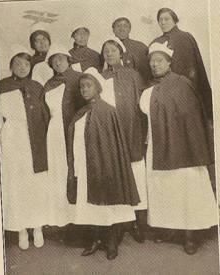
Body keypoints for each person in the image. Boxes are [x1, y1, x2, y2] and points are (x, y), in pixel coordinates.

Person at [139, 41, 217, 255]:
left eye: (159, 60)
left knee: (186, 186)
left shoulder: (182, 83)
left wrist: (188, 145)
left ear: (169, 62)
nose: (155, 65)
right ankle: (171, 228)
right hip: (158, 144)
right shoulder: (149, 88)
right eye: (152, 62)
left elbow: (191, 117)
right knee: (163, 187)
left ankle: (191, 234)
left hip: (184, 147)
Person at [67, 69, 140, 260]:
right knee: (89, 205)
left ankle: (111, 241)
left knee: (105, 204)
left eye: (88, 85)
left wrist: (105, 166)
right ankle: (96, 239)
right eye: (81, 86)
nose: (84, 89)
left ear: (98, 88)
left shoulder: (107, 110)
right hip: (85, 165)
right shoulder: (81, 112)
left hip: (103, 167)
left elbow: (112, 145)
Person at [0, 50, 50, 250]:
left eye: (26, 65)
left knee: (35, 183)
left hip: (35, 139)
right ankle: (20, 229)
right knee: (17, 183)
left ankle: (37, 227)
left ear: (30, 68)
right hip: (13, 139)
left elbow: (44, 114)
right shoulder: (2, 86)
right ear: (11, 65)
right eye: (18, 64)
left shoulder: (36, 86)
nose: (21, 68)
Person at [101, 39, 148, 242]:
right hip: (110, 133)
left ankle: (138, 222)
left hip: (131, 131)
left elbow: (141, 106)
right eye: (106, 51)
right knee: (115, 176)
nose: (109, 54)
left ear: (121, 53)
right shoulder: (101, 77)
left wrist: (142, 133)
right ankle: (119, 224)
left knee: (136, 174)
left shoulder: (133, 75)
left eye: (113, 50)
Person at [43, 46, 83, 227]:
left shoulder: (78, 79)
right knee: (58, 170)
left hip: (74, 130)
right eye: (54, 60)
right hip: (54, 132)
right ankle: (61, 219)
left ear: (69, 60)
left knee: (75, 169)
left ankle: (78, 219)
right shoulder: (49, 83)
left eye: (61, 58)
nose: (58, 62)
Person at [151, 8, 212, 120]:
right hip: (165, 92)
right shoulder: (156, 42)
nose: (163, 22)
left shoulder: (186, 37)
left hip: (186, 89)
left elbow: (196, 66)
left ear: (174, 20)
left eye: (166, 19)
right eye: (160, 20)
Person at [112, 17, 151, 86]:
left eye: (125, 26)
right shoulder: (108, 48)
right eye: (118, 26)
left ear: (129, 29)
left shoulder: (140, 47)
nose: (122, 29)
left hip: (136, 86)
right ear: (113, 30)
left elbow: (147, 73)